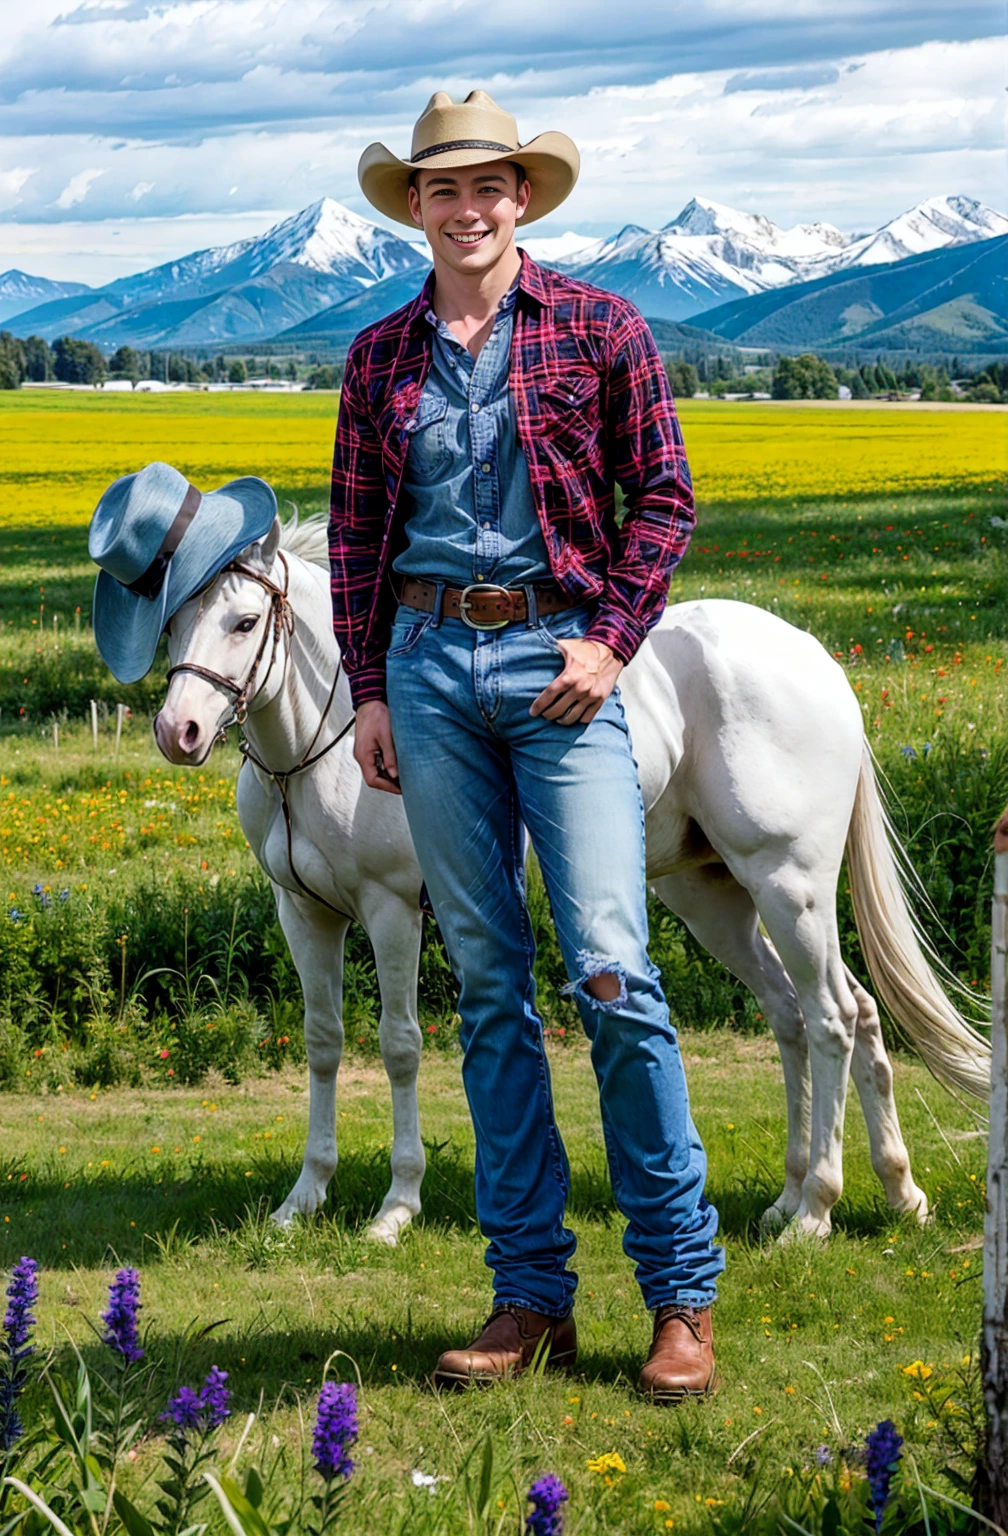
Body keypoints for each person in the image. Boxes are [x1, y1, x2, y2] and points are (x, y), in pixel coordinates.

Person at [328, 89, 724, 1400]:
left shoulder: (603, 327)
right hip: (431, 673)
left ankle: (679, 1296)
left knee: (613, 971)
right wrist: (371, 689)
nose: (469, 206)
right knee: (490, 989)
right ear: (418, 210)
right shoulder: (379, 358)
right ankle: (529, 1299)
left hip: (564, 665)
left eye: (490, 184)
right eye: (444, 188)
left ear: (524, 197)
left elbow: (663, 497)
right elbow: (354, 538)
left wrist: (612, 641)